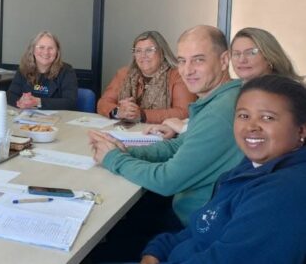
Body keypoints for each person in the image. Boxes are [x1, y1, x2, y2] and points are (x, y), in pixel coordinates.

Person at [87, 25, 243, 260]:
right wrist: (126, 150)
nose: (187, 70)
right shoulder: (217, 100)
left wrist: (114, 159)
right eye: (182, 61)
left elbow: (167, 180)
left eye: (198, 60)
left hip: (191, 228)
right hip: (186, 212)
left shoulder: (219, 112)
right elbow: (177, 146)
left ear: (223, 60)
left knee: (95, 247)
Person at [141, 75, 306, 263]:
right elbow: (203, 226)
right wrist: (157, 250)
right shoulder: (251, 165)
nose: (251, 127)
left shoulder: (281, 194)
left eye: (267, 118)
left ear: (301, 130)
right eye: (243, 116)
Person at [156, 26, 301, 138]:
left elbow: (243, 133)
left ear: (269, 56)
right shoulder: (241, 88)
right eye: (236, 54)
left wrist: (183, 128)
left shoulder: (280, 94)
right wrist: (182, 125)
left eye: (251, 52)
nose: (242, 59)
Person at [97, 30, 196, 124]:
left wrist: (142, 115)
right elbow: (103, 103)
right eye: (138, 51)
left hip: (163, 132)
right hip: (125, 131)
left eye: (149, 50)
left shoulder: (178, 75)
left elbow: (184, 112)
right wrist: (118, 111)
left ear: (162, 52)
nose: (143, 55)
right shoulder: (124, 74)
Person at [6, 31, 78, 110]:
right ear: (33, 50)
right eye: (41, 47)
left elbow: (70, 102)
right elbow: (10, 95)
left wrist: (38, 102)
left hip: (57, 117)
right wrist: (21, 101)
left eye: (51, 48)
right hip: (27, 115)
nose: (46, 52)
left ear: (57, 52)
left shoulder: (67, 71)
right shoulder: (24, 69)